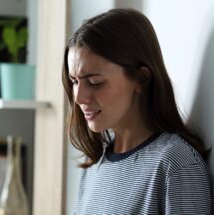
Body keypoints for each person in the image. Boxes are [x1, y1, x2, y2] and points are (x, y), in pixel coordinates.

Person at [62, 8, 212, 214]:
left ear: (141, 78)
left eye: (95, 82)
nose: (79, 98)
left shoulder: (175, 165)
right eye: (74, 82)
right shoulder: (95, 166)